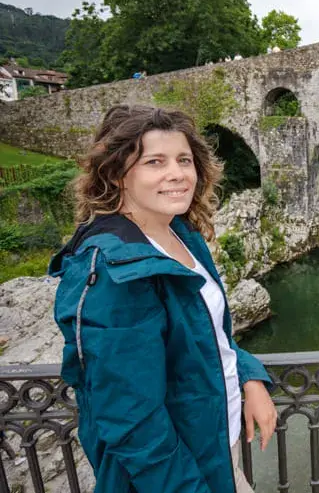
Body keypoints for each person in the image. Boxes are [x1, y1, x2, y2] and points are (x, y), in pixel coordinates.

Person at [49, 105, 276, 493]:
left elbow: (208, 334)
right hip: (175, 472)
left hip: (216, 444)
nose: (177, 173)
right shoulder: (114, 271)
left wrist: (248, 375)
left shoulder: (180, 234)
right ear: (117, 173)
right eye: (155, 161)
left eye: (184, 160)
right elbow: (133, 421)